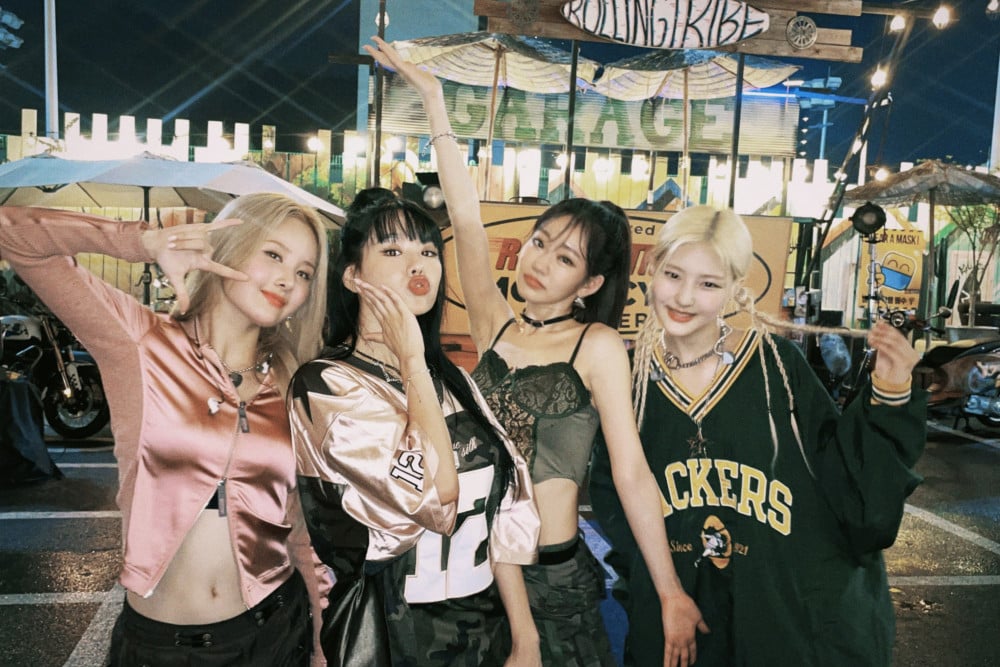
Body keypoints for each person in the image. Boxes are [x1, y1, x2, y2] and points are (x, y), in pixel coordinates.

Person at [364, 37, 705, 667]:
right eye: (539, 241)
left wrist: (669, 591)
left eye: (564, 258)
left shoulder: (596, 346)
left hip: (553, 579)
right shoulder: (495, 324)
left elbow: (631, 473)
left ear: (591, 284)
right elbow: (467, 219)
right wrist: (434, 101)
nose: (540, 261)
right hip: (476, 573)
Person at [0, 194, 331, 666]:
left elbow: (299, 526)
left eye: (304, 273)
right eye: (274, 254)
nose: (287, 280)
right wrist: (143, 242)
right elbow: (14, 233)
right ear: (227, 245)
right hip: (159, 647)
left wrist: (320, 644)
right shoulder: (141, 342)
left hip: (276, 633)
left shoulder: (291, 381)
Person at [589, 205, 927, 666]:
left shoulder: (777, 368)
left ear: (735, 287)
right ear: (652, 268)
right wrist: (658, 588)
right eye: (673, 275)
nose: (684, 297)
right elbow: (613, 501)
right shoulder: (627, 378)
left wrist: (891, 390)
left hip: (773, 616)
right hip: (678, 612)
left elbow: (850, 482)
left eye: (709, 284)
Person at [288, 189, 541, 666]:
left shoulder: (455, 380)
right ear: (352, 276)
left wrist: (526, 638)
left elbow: (505, 506)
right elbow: (436, 495)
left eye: (428, 251)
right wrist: (410, 358)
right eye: (391, 251)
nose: (417, 264)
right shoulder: (325, 385)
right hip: (392, 639)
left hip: (484, 638)